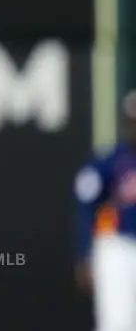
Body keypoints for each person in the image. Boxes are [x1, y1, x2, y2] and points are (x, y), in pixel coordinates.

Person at [74, 90, 136, 331]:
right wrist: (83, 253)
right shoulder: (111, 160)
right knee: (118, 323)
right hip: (118, 248)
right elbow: (85, 203)